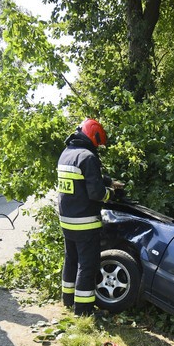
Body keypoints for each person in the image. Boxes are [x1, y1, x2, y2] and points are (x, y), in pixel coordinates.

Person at [57, 118, 122, 316]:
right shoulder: (88, 157)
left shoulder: (66, 154)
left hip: (67, 221)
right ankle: (83, 311)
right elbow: (96, 193)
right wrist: (112, 193)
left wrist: (109, 181)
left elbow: (83, 179)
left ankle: (68, 300)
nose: (97, 147)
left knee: (71, 260)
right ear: (93, 136)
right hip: (85, 223)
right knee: (87, 265)